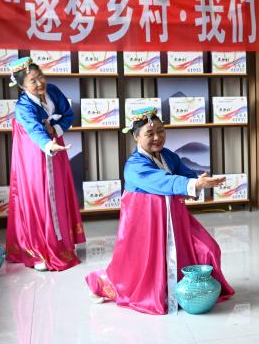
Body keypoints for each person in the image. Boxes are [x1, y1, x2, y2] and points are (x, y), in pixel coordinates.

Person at [86, 109, 234, 315]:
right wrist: (193, 184)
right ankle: (103, 284)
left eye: (161, 131)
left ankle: (188, 289)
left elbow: (186, 174)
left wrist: (199, 181)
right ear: (136, 136)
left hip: (175, 219)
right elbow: (163, 181)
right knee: (143, 269)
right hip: (146, 225)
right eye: (150, 133)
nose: (157, 137)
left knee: (208, 249)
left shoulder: (168, 155)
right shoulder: (134, 165)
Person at [4, 57, 85, 272]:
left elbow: (68, 114)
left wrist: (56, 128)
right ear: (22, 86)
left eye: (40, 76)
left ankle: (60, 241)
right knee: (38, 193)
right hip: (32, 149)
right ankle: (37, 249)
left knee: (56, 190)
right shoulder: (23, 106)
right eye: (33, 81)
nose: (40, 83)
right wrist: (49, 144)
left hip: (53, 141)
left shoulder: (53, 91)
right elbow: (33, 129)